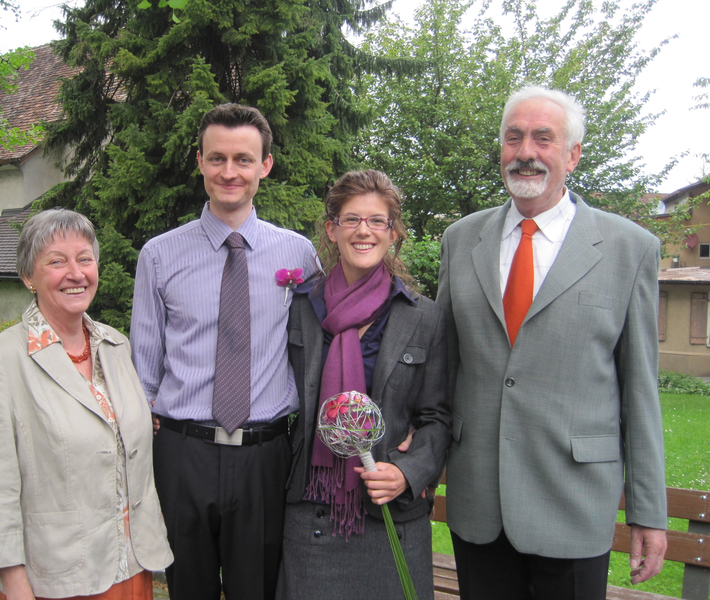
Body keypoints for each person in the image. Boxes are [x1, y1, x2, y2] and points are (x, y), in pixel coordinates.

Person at [436, 86, 668, 600]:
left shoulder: (630, 248)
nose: (526, 152)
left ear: (573, 154)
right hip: (479, 500)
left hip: (574, 503)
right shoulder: (461, 239)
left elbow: (640, 391)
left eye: (543, 138)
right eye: (513, 137)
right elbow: (443, 367)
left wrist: (648, 511)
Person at [130, 103, 318, 600]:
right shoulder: (159, 255)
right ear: (200, 162)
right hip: (182, 453)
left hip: (265, 456)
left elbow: (321, 347)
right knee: (187, 589)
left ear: (265, 166)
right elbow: (143, 370)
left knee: (257, 589)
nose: (229, 172)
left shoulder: (298, 254)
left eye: (243, 159)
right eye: (217, 158)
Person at [0, 209, 173, 600]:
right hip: (60, 576)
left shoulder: (115, 345)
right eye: (56, 262)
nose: (75, 273)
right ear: (28, 276)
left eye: (84, 259)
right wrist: (16, 588)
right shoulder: (2, 361)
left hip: (131, 566)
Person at [276, 170, 450, 600]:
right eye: (351, 219)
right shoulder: (300, 306)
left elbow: (439, 416)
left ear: (394, 232)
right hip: (311, 513)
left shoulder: (424, 317)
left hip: (389, 513)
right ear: (332, 229)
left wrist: (408, 472)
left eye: (377, 221)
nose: (363, 231)